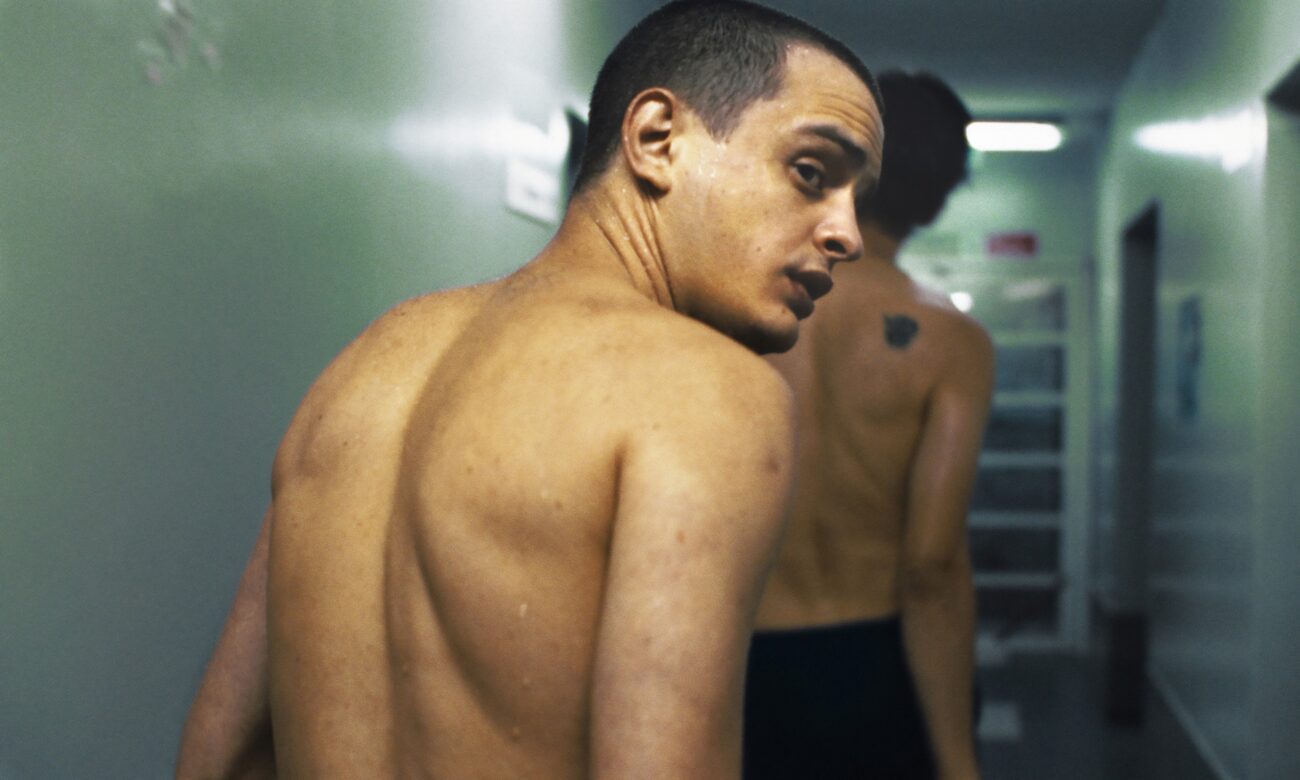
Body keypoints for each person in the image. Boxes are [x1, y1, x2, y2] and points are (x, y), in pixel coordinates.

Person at [175, 2, 884, 777]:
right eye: (811, 173)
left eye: (857, 199)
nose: (847, 234)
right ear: (657, 140)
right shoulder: (710, 391)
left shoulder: (366, 366)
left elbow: (220, 760)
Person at [743, 71, 991, 780]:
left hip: (740, 660)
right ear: (940, 195)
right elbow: (931, 568)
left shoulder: (732, 316)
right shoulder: (951, 342)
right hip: (880, 669)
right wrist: (958, 762)